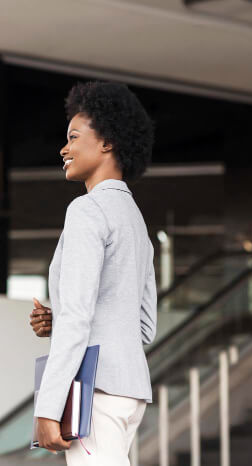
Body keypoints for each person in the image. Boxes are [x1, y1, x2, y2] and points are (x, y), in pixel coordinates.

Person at [30, 81, 157, 465]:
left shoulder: (86, 211)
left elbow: (81, 315)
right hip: (129, 392)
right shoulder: (136, 222)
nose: (64, 148)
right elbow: (144, 326)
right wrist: (61, 319)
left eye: (73, 136)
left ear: (108, 143)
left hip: (95, 392)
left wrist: (48, 407)